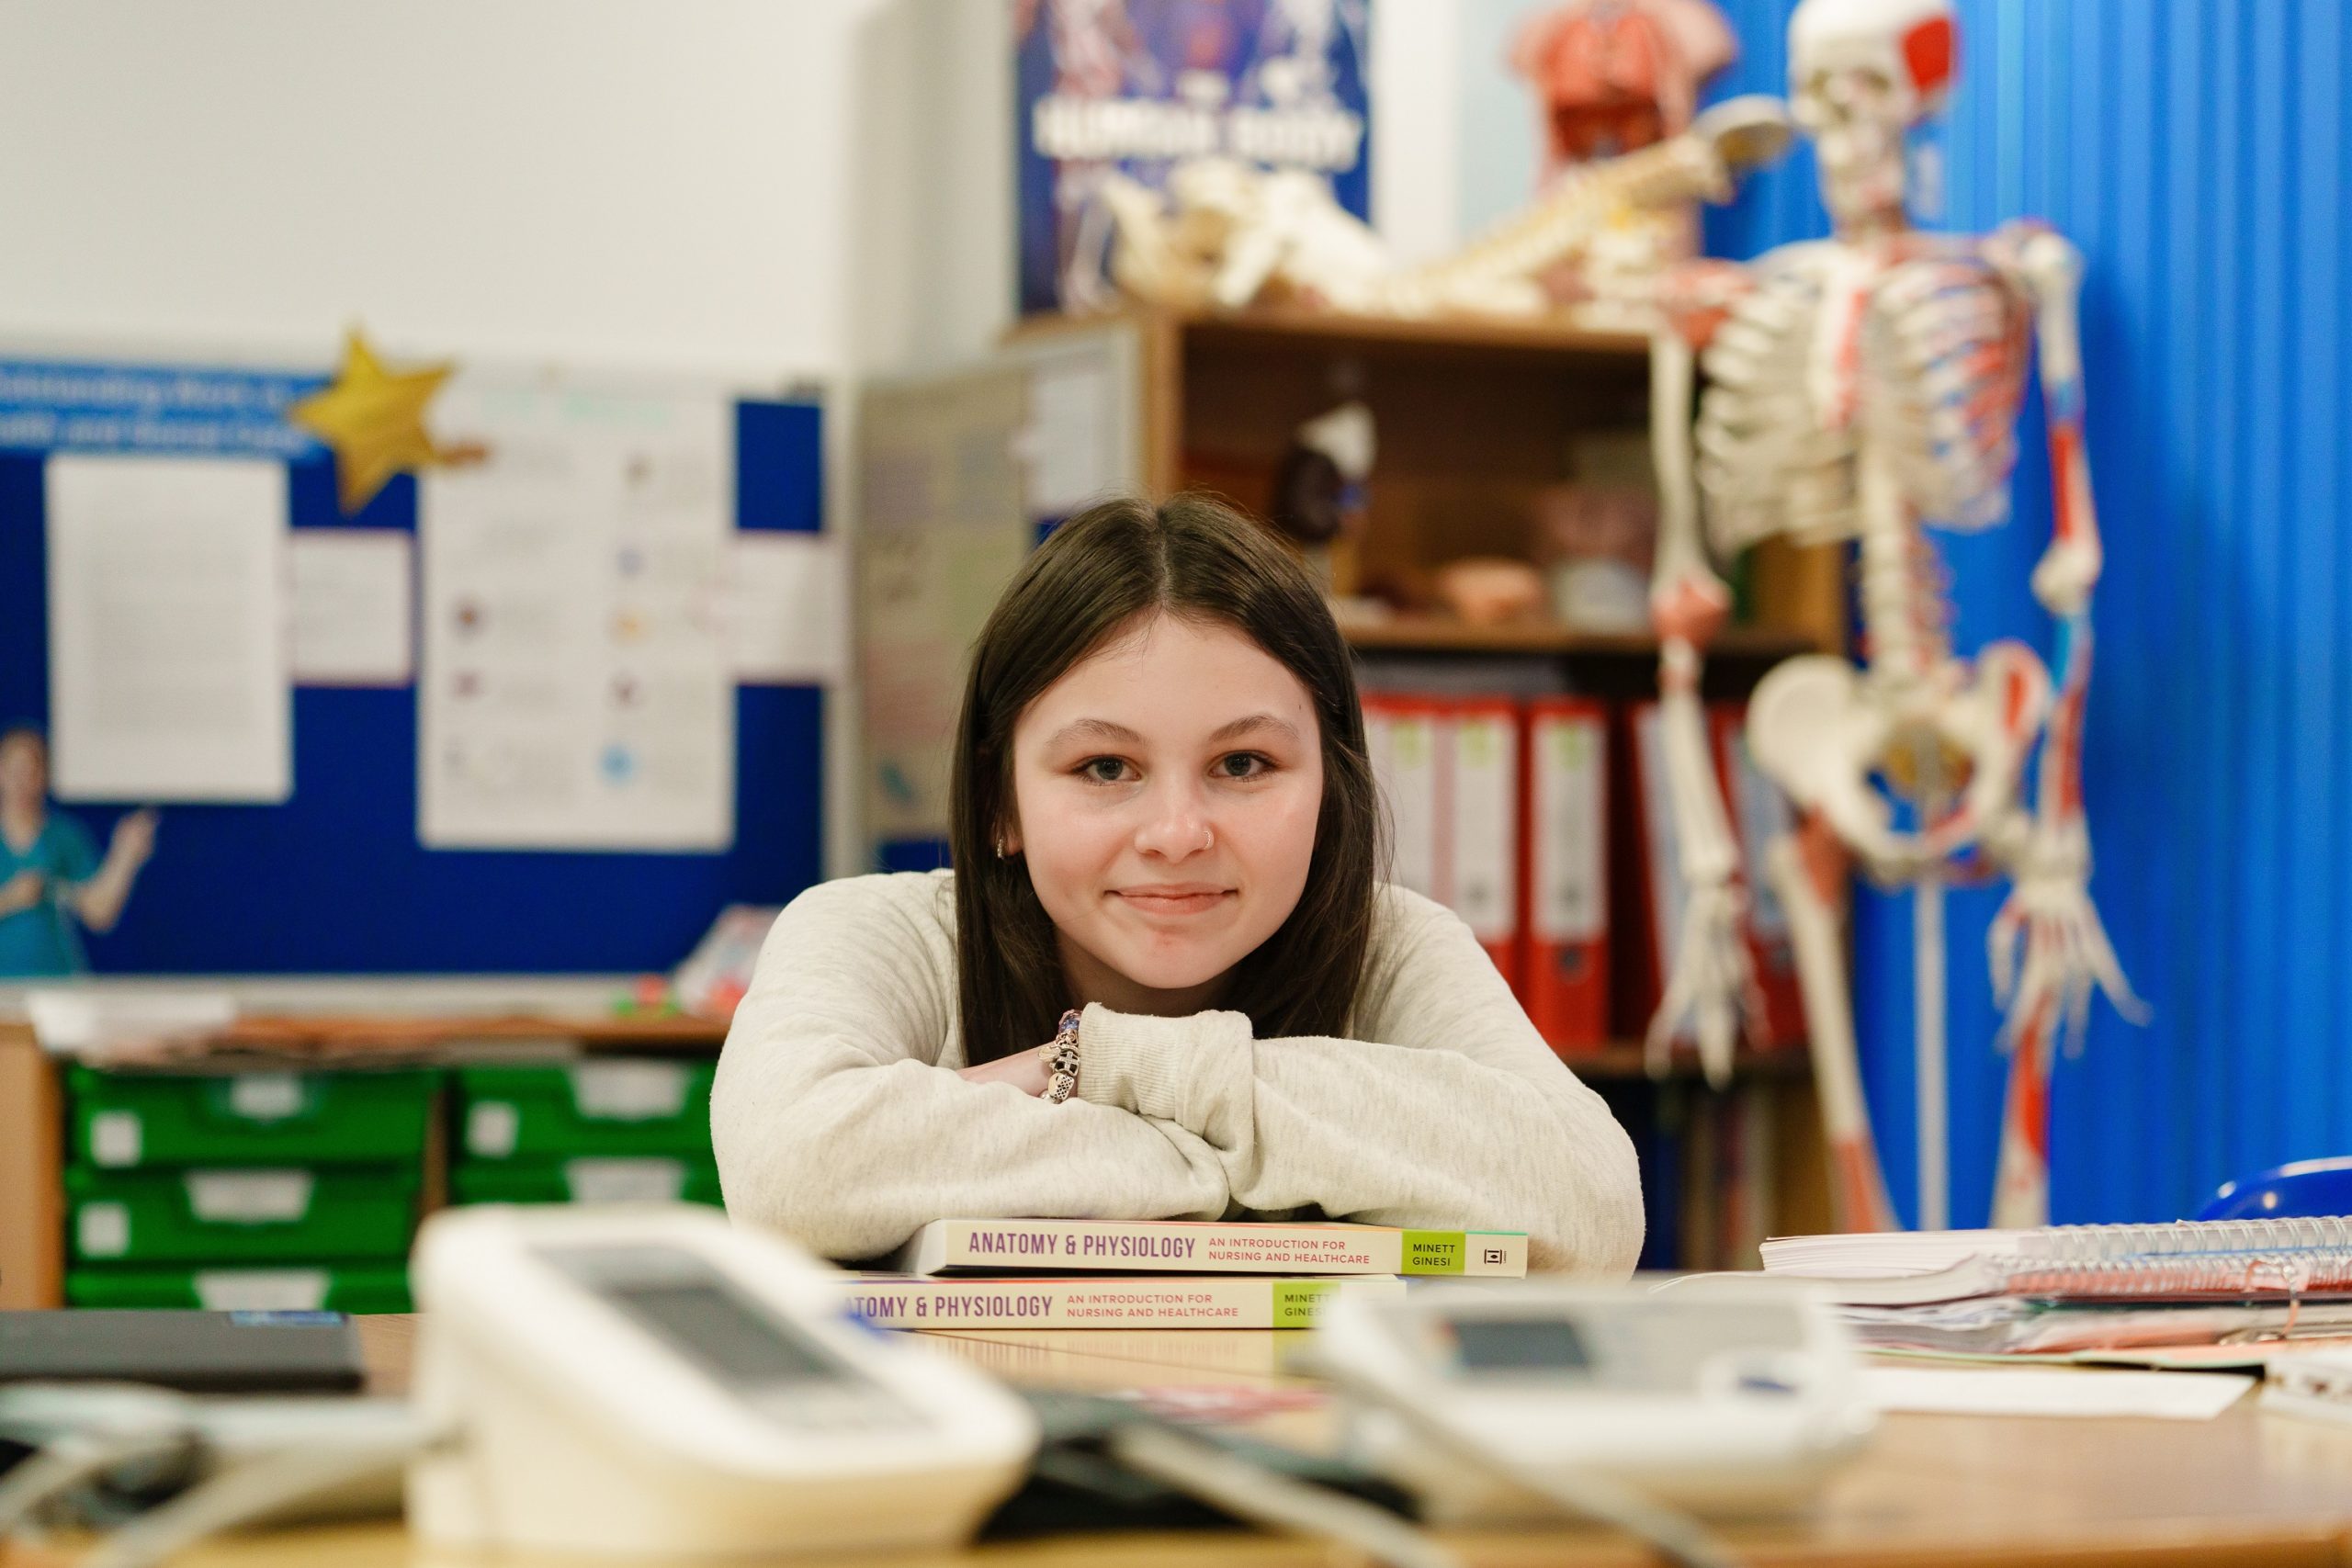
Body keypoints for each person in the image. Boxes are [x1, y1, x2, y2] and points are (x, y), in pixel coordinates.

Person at [713, 494, 1642, 1274]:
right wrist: (1265, 1171)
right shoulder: (874, 934)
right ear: (1001, 801)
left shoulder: (1392, 947)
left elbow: (1590, 1209)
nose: (1176, 834)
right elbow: (794, 1172)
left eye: (1242, 763)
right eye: (1105, 769)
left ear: (1332, 783)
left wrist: (1103, 1064)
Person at [0, 727, 157, 977]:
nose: (23, 782)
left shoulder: (64, 836)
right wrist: (10, 898)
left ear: (44, 776)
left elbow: (98, 911)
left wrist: (125, 855)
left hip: (57, 983)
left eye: (32, 771)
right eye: (15, 770)